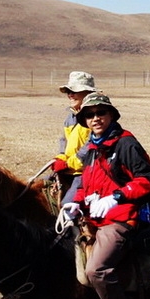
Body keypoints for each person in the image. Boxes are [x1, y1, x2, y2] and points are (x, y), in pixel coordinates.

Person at [62, 92, 150, 299]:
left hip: (120, 219)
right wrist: (75, 202)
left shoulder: (126, 143)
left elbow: (147, 180)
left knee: (96, 270)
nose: (96, 118)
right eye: (90, 115)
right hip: (92, 218)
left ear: (111, 115)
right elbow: (85, 183)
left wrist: (116, 197)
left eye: (101, 113)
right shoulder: (92, 147)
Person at [52, 71, 98, 205]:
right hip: (70, 169)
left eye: (74, 91)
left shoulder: (95, 116)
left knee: (67, 206)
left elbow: (91, 147)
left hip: (86, 172)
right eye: (68, 92)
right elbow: (64, 142)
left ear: (88, 93)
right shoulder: (70, 117)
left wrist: (67, 164)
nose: (70, 95)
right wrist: (60, 158)